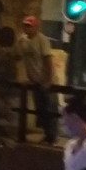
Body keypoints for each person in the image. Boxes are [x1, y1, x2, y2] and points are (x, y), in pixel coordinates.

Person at [17, 15, 57, 143]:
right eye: (25, 26)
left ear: (36, 27)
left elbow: (47, 61)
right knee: (40, 108)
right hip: (35, 81)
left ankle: (51, 135)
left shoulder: (42, 40)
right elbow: (20, 59)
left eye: (29, 26)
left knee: (49, 108)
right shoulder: (23, 41)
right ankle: (47, 133)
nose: (26, 28)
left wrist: (48, 80)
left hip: (44, 80)